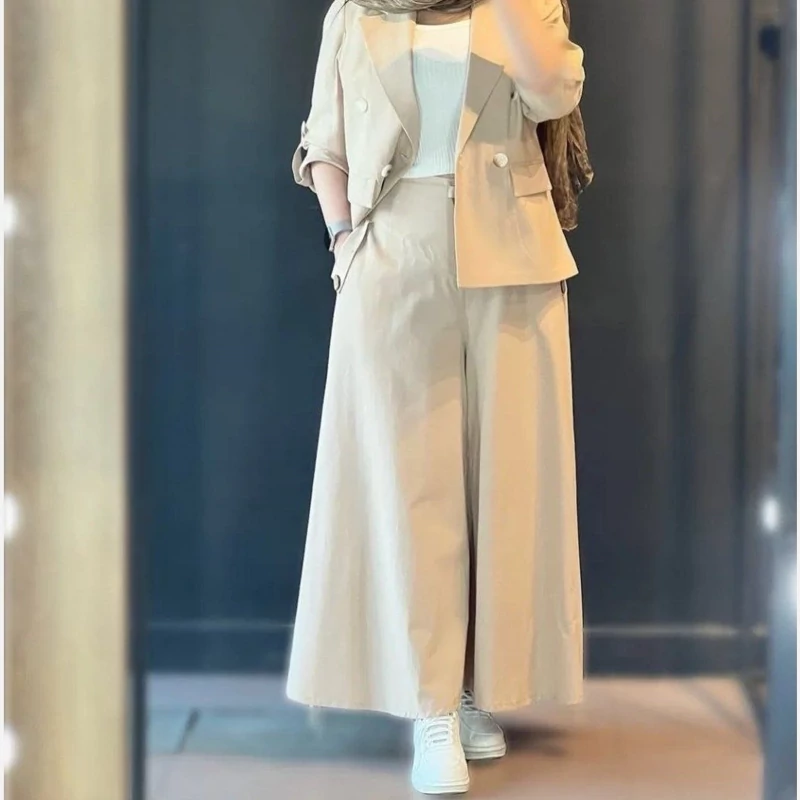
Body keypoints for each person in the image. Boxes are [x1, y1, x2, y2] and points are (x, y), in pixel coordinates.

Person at [288, 0, 586, 793]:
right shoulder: (357, 11)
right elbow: (323, 142)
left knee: (505, 490)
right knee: (411, 485)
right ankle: (433, 708)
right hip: (393, 251)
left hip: (512, 252)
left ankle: (479, 686)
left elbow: (554, 91)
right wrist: (344, 240)